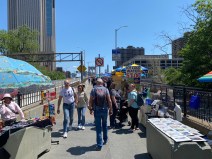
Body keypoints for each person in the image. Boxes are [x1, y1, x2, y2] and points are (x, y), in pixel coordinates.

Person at [88, 78, 112, 151]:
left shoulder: (93, 90)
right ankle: (105, 139)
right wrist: (110, 109)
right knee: (104, 125)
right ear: (102, 83)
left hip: (97, 110)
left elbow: (90, 100)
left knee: (98, 128)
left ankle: (99, 145)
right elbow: (109, 100)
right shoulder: (106, 89)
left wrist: (90, 109)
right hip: (105, 110)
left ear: (96, 83)